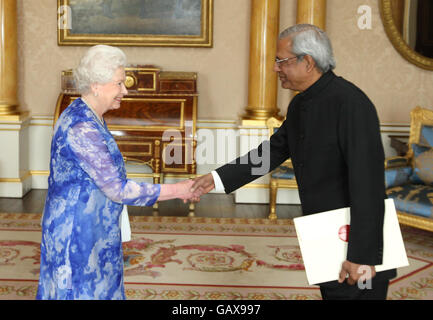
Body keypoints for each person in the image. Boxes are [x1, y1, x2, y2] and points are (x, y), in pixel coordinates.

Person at [191, 24, 396, 300]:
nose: (275, 68)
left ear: (307, 62)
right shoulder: (301, 105)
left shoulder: (351, 104)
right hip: (324, 233)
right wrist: (216, 178)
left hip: (357, 241)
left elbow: (367, 185)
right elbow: (274, 151)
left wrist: (361, 256)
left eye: (281, 61)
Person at [36, 45, 199, 300]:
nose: (125, 90)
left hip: (93, 228)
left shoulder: (91, 116)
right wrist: (179, 189)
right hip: (76, 235)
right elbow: (118, 189)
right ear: (97, 85)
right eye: (119, 83)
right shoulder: (81, 127)